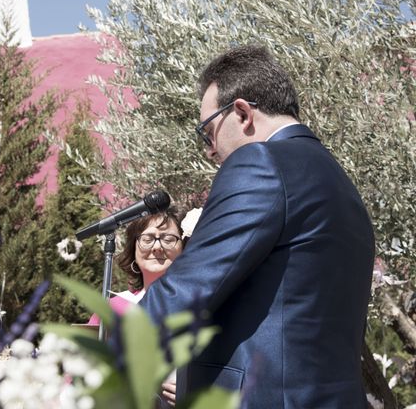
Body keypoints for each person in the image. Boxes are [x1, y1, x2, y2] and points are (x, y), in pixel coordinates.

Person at [139, 45, 375, 408]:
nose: (209, 150)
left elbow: (187, 290)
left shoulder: (261, 163)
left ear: (242, 113)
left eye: (208, 132)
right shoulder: (338, 183)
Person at [88, 207, 188, 407]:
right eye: (148, 238)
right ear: (134, 248)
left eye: (168, 239)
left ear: (184, 248)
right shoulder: (113, 307)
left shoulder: (202, 307)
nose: (157, 247)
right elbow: (79, 373)